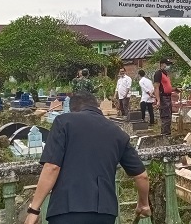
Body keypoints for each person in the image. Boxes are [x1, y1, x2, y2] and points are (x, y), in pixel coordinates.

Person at [24, 91, 150, 224]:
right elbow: (142, 176)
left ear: (73, 109)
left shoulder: (64, 122)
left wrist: (34, 210)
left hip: (67, 210)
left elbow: (52, 167)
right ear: (97, 107)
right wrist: (143, 203)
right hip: (104, 213)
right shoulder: (118, 133)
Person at [153, 58, 174, 135]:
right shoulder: (158, 73)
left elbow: (166, 86)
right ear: (162, 64)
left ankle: (167, 133)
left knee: (168, 117)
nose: (168, 66)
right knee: (166, 117)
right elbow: (156, 87)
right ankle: (165, 135)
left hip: (168, 97)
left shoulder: (165, 74)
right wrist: (158, 100)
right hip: (163, 97)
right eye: (167, 64)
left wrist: (174, 89)